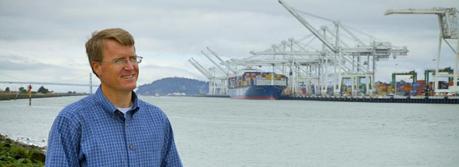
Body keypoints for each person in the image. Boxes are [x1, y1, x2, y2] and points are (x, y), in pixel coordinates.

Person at [45, 28, 182, 167]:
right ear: (97, 67)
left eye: (133, 58)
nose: (130, 67)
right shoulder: (72, 121)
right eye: (120, 60)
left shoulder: (158, 119)